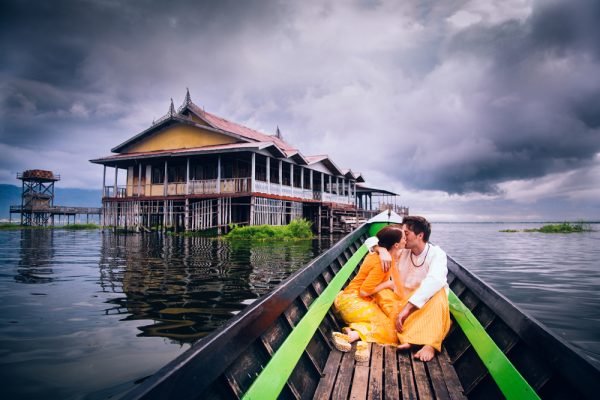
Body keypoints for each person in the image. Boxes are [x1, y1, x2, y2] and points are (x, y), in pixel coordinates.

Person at [370, 215, 451, 362]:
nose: (403, 237)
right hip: (401, 299)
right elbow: (370, 241)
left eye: (406, 233)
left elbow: (435, 280)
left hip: (424, 304)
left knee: (439, 291)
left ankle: (430, 344)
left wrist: (408, 308)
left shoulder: (437, 254)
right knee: (380, 291)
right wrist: (381, 250)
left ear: (420, 235)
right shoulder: (401, 249)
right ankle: (411, 338)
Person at [331, 225, 405, 358]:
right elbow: (364, 292)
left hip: (349, 297)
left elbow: (372, 241)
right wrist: (388, 284)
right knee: (392, 328)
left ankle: (351, 332)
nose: (406, 240)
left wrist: (380, 249)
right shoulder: (383, 263)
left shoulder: (377, 254)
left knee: (390, 314)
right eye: (404, 238)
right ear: (396, 245)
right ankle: (355, 333)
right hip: (354, 302)